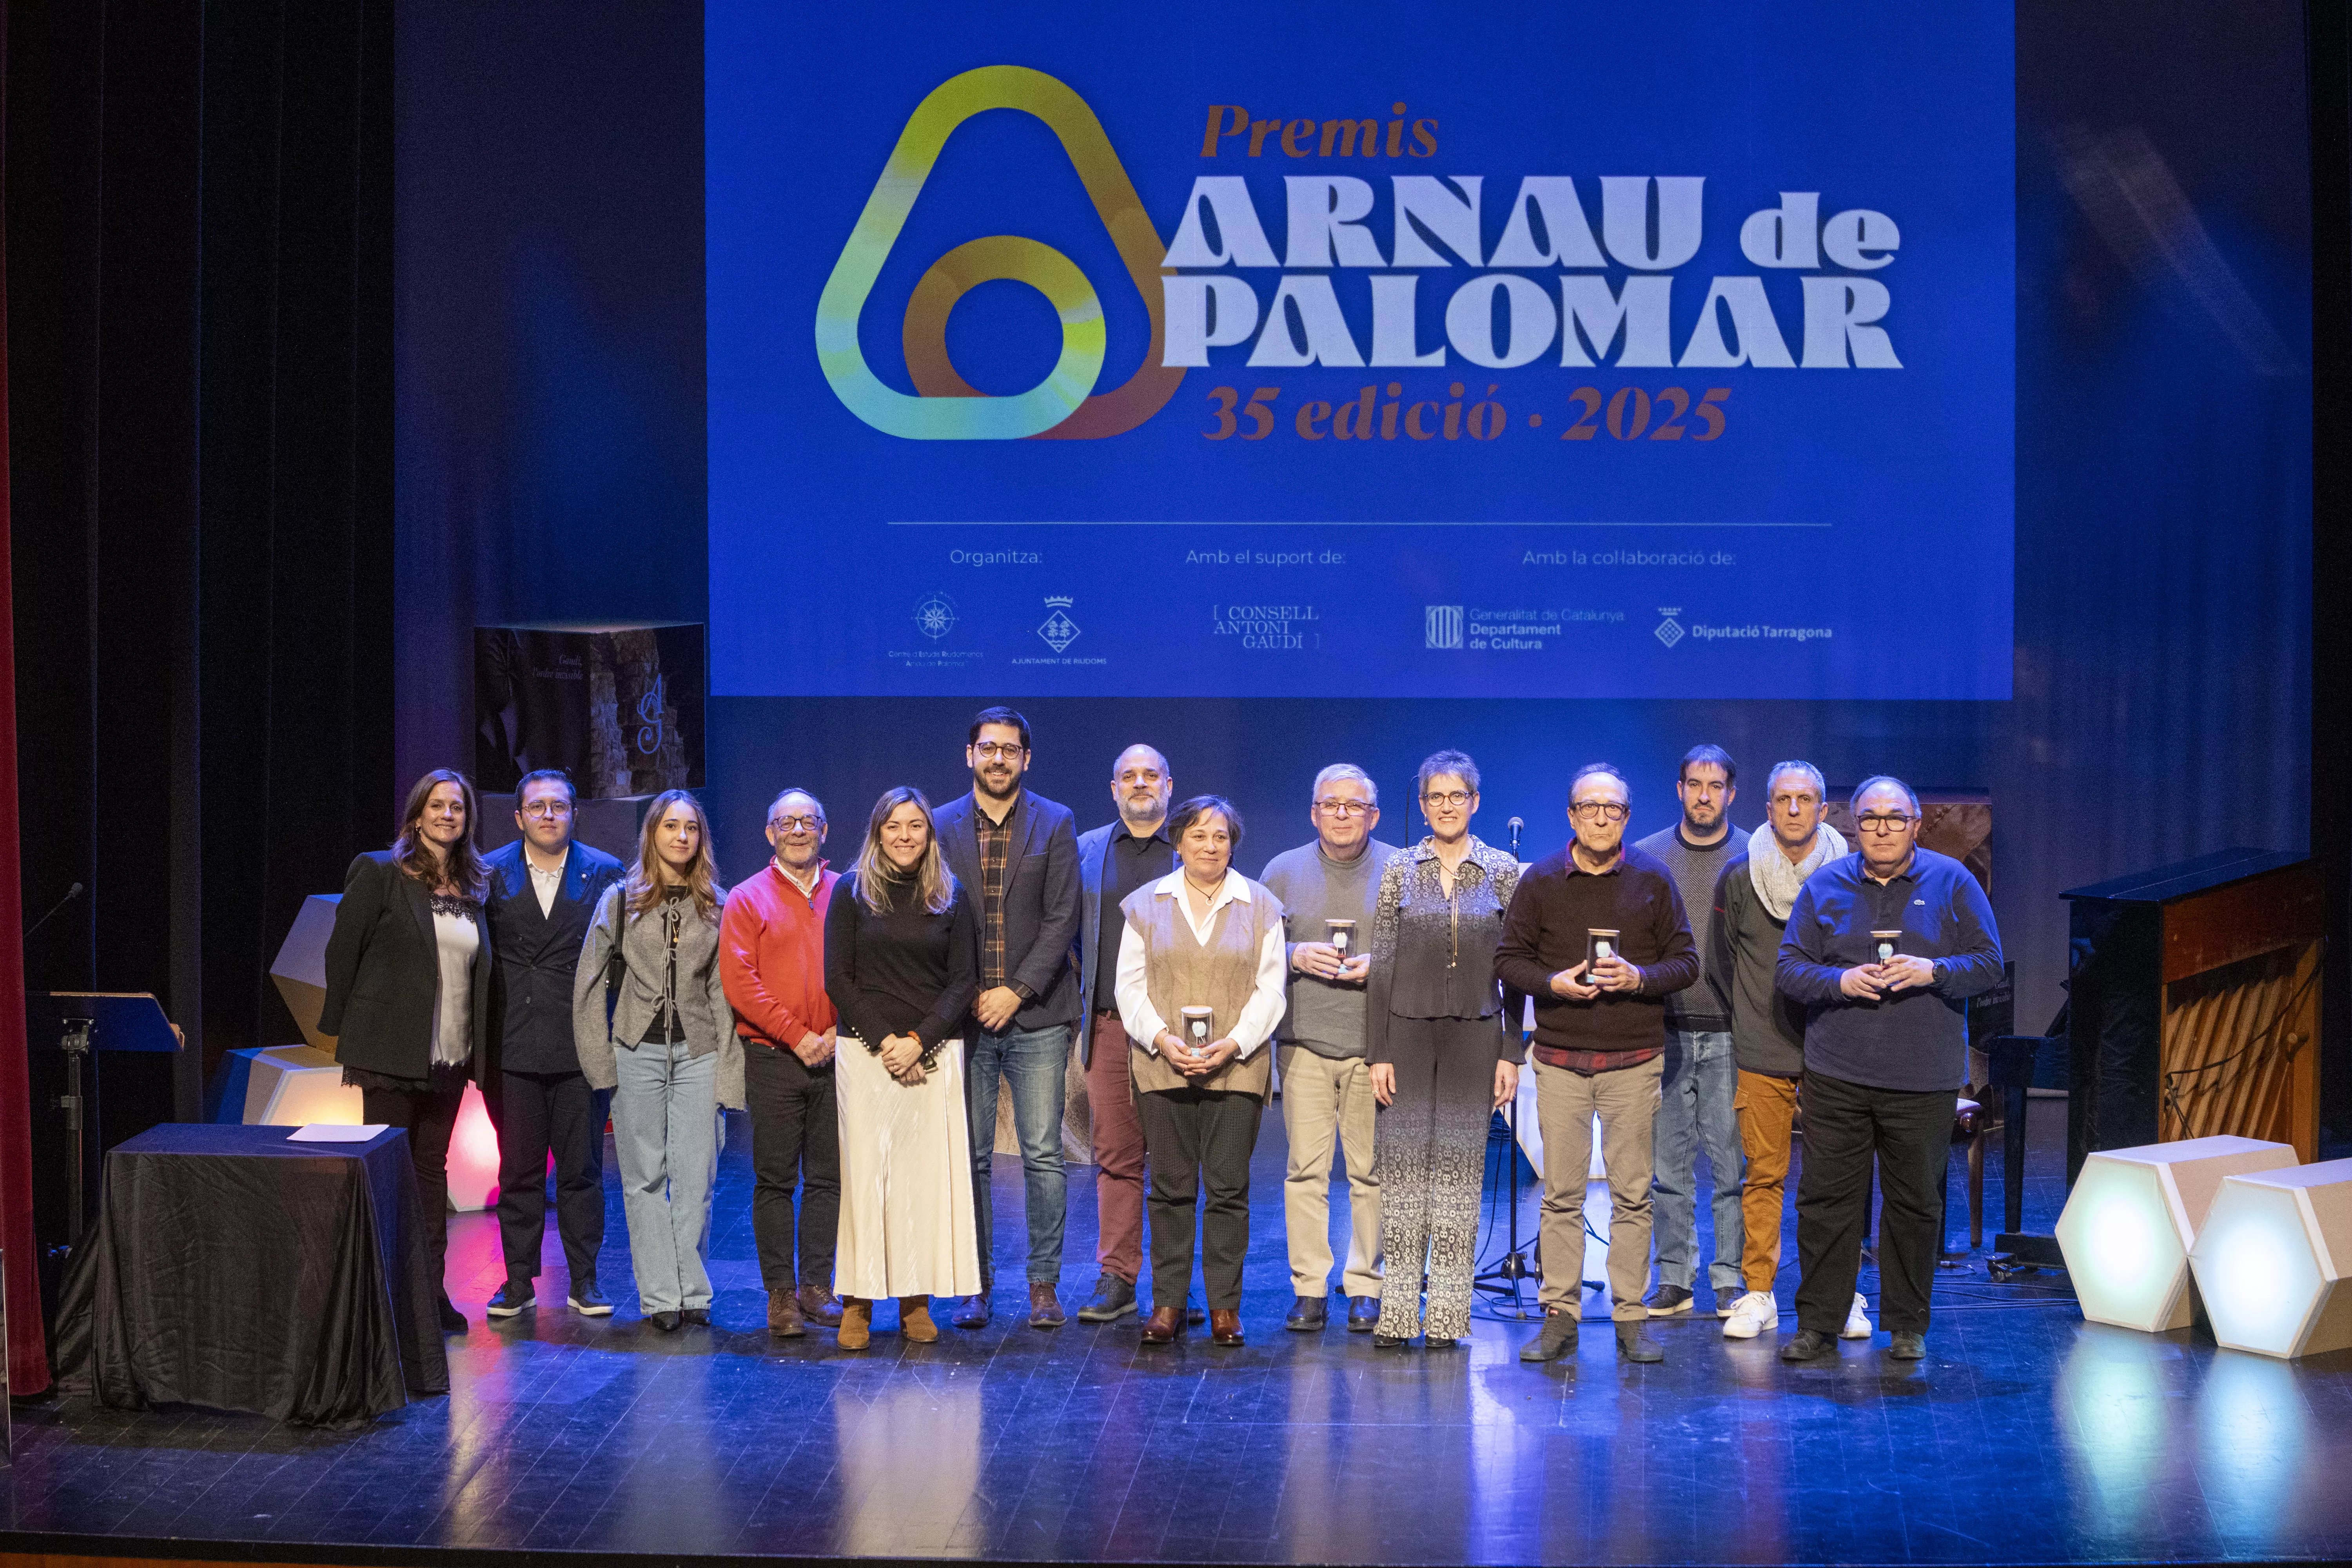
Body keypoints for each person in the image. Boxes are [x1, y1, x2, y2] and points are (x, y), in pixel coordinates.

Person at [1775, 776, 2003, 1364]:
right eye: (1871, 819)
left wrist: (1934, 972)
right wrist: (1840, 980)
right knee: (1828, 1202)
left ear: (1916, 824)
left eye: (1894, 819)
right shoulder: (1825, 885)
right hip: (1838, 1075)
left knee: (1915, 1204)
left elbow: (1988, 965)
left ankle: (1907, 1326)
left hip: (1921, 1079)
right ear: (1855, 826)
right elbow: (1790, 971)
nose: (1881, 828)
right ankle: (1818, 1324)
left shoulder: (1953, 882)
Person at [1496, 763, 1698, 1365]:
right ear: (1572, 816)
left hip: (1633, 1064)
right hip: (1559, 1062)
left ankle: (1631, 1317)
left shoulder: (1653, 879)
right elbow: (1509, 961)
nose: (1602, 816)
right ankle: (1560, 1316)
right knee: (1560, 1195)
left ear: (1627, 818)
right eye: (1590, 807)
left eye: (1613, 808)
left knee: (1632, 1195)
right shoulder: (1540, 880)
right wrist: (1553, 984)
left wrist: (1639, 978)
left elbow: (1686, 963)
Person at [319, 768, 495, 1333]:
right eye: (438, 805)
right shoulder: (380, 872)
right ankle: (381, 1300)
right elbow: (342, 953)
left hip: (449, 1055)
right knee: (388, 1179)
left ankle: (426, 1296)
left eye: (459, 808)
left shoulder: (476, 886)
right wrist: (350, 1032)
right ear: (416, 814)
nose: (449, 815)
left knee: (429, 1176)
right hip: (389, 1055)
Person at [1115, 795, 1288, 1348]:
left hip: (1236, 1068)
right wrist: (1163, 1040)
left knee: (1228, 1188)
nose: (1210, 846)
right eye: (1198, 835)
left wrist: (1233, 1044)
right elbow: (1129, 988)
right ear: (1179, 841)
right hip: (1162, 1066)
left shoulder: (1261, 905)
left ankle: (1224, 1308)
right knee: (1168, 1188)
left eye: (1220, 837)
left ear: (1233, 843)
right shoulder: (1145, 904)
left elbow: (1271, 989)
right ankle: (1167, 1302)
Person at [1364, 751, 1522, 1349]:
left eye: (1458, 796)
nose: (1447, 806)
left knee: (1458, 1178)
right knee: (1405, 1177)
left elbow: (1519, 968)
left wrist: (1512, 1051)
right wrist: (1377, 1051)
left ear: (1475, 803)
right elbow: (1382, 964)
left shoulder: (1503, 870)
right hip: (1405, 1033)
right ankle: (1400, 1314)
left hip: (1476, 1036)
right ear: (1424, 805)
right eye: (1436, 797)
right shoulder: (1401, 869)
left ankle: (1450, 1318)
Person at [932, 707, 1083, 1330]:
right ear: (970, 755)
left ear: (1027, 759)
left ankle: (1043, 1286)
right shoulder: (940, 825)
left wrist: (1015, 991)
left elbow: (1062, 919)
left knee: (1044, 1153)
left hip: (1038, 1014)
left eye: (1010, 750)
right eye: (988, 749)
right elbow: (934, 921)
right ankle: (976, 1284)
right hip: (965, 1018)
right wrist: (966, 995)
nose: (999, 759)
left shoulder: (1055, 822)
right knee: (968, 1155)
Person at [572, 789, 742, 1332]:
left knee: (697, 1177)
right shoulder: (620, 900)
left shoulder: (718, 902)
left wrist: (729, 1072)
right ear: (653, 834)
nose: (681, 837)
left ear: (701, 838)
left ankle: (693, 1290)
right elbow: (588, 984)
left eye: (691, 828)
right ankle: (661, 1297)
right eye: (671, 826)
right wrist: (600, 1063)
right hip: (636, 1051)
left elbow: (723, 993)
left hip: (698, 1052)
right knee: (643, 1178)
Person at [822, 787, 984, 1350]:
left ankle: (916, 1302)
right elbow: (838, 979)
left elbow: (964, 981)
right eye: (895, 826)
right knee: (867, 1183)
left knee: (921, 1184)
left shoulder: (950, 894)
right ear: (877, 832)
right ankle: (858, 1305)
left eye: (916, 825)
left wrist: (919, 1042)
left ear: (929, 833)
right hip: (866, 1055)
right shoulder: (851, 892)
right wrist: (888, 1042)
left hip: (934, 1054)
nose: (906, 836)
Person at [1708, 761, 1856, 1342]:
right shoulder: (1739, 877)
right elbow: (1724, 960)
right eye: (1782, 800)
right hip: (1763, 1049)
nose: (1793, 810)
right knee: (1763, 1176)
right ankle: (1759, 1293)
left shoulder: (1851, 874)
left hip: (1835, 1049)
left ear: (1823, 809)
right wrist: (1752, 1017)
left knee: (1834, 1180)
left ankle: (1837, 1294)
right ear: (1766, 808)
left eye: (1806, 799)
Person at [1258, 764, 1397, 1335]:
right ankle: (1310, 1288)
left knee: (1370, 1173)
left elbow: (1424, 949)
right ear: (1314, 813)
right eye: (1330, 804)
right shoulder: (1283, 871)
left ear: (1374, 814)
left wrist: (1382, 966)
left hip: (1375, 1047)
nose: (1342, 814)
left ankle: (1366, 1285)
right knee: (1305, 1173)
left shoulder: (1400, 870)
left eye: (1354, 805)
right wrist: (1294, 955)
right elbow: (1254, 945)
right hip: (1304, 1043)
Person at [481, 769, 625, 1319]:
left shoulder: (605, 874)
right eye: (537, 807)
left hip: (580, 1044)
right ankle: (517, 1281)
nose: (548, 815)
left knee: (582, 1169)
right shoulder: (490, 872)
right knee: (517, 1171)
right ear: (519, 817)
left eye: (558, 807)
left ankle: (584, 1280)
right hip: (512, 1044)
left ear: (573, 815)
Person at [719, 788, 846, 1338]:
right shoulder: (746, 898)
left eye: (808, 821)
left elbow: (865, 969)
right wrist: (798, 1037)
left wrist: (840, 1033)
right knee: (774, 1180)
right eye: (786, 822)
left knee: (828, 1177)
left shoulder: (848, 893)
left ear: (824, 830)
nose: (798, 830)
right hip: (774, 1058)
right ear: (770, 834)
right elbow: (741, 984)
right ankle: (780, 1295)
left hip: (839, 1055)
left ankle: (817, 1287)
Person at [1632, 744, 1746, 1319]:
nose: (1704, 795)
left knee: (1732, 1166)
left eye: (1715, 785)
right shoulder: (1648, 856)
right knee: (1668, 1168)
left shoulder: (1756, 855)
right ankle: (1674, 1279)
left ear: (1731, 792)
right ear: (1679, 789)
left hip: (1734, 1033)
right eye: (1694, 784)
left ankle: (1731, 1279)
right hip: (1667, 1030)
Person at [1071, 744, 1175, 1323]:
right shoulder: (1088, 850)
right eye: (1128, 776)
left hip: (1179, 1031)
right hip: (1110, 1026)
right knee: (1116, 1156)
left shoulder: (1193, 844)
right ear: (1114, 789)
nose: (1140, 783)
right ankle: (1116, 1277)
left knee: (1176, 1160)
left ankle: (1173, 1282)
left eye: (1150, 775)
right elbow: (1066, 933)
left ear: (1168, 784)